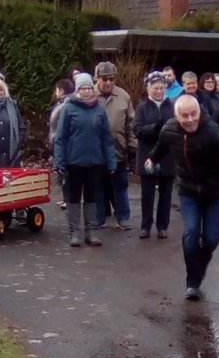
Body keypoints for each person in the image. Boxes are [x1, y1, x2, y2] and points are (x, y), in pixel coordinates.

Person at [145, 95, 219, 300]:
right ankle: (192, 282)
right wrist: (151, 159)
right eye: (184, 116)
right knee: (192, 230)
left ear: (200, 112)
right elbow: (160, 148)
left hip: (215, 192)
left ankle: (200, 265)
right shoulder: (169, 129)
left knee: (211, 239)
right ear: (176, 117)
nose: (190, 119)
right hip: (189, 191)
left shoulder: (212, 132)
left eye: (193, 114)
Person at [54, 72, 117, 247]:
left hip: (95, 162)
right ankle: (74, 232)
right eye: (83, 88)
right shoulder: (68, 108)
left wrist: (111, 161)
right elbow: (61, 137)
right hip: (73, 162)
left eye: (90, 87)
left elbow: (106, 138)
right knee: (73, 198)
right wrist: (59, 162)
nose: (87, 91)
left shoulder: (99, 109)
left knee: (92, 198)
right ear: (77, 90)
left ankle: (91, 232)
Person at [93, 61, 135, 230]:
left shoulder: (123, 96)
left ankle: (123, 217)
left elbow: (131, 123)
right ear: (98, 79)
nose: (108, 82)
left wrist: (132, 145)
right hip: (96, 151)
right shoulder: (89, 95)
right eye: (105, 79)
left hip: (119, 150)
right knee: (98, 186)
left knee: (121, 186)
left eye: (111, 78)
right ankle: (99, 217)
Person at [133, 71, 175, 239]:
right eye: (155, 88)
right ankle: (145, 226)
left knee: (166, 194)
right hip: (147, 155)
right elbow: (137, 130)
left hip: (168, 157)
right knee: (147, 194)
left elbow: (177, 127)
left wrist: (167, 131)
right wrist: (156, 128)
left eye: (161, 88)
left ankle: (162, 226)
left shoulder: (172, 106)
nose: (159, 91)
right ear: (148, 88)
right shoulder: (142, 107)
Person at [48, 78, 74, 211]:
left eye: (57, 89)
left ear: (61, 90)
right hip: (57, 141)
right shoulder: (61, 103)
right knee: (61, 170)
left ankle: (68, 199)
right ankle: (66, 198)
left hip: (62, 143)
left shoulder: (65, 104)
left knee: (65, 171)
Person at [200, 72, 219, 136]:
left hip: (216, 134)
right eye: (207, 82)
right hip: (201, 135)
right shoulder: (197, 97)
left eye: (212, 82)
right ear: (202, 83)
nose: (210, 84)